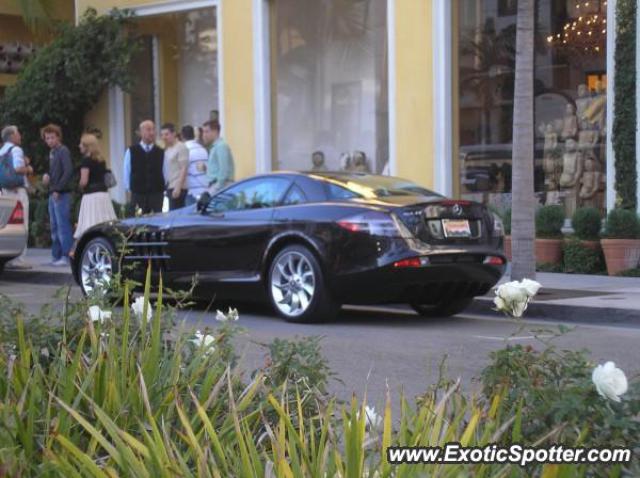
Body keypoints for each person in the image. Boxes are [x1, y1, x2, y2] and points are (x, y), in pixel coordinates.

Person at [71, 133, 117, 255]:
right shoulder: (101, 160)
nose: (79, 146)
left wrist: (78, 185)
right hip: (103, 196)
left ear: (86, 146)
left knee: (90, 224)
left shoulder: (86, 161)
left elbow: (84, 181)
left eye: (81, 144)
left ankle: (91, 251)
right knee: (104, 223)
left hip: (91, 197)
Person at [40, 124, 74, 266]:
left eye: (52, 137)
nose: (50, 141)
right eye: (47, 138)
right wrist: (47, 176)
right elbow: (55, 171)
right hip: (52, 193)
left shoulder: (63, 151)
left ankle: (66, 256)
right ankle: (56, 256)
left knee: (62, 225)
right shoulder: (52, 153)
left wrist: (58, 189)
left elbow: (68, 171)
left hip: (61, 193)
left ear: (58, 137)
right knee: (54, 225)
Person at [0, 125, 32, 270]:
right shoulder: (16, 149)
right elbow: (18, 169)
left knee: (7, 225)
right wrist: (29, 169)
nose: (20, 135)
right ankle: (19, 259)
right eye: (18, 133)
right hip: (17, 192)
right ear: (12, 136)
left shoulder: (1, 151)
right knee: (21, 225)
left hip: (5, 192)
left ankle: (8, 258)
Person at [123, 120, 165, 214]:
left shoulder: (160, 152)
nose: (152, 133)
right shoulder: (131, 151)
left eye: (153, 129)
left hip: (156, 195)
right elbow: (127, 171)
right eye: (148, 130)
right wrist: (130, 189)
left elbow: (164, 172)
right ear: (140, 132)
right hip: (138, 194)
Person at [160, 123, 189, 210]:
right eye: (162, 135)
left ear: (174, 134)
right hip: (169, 186)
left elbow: (184, 168)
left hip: (177, 187)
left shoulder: (181, 147)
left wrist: (178, 187)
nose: (164, 137)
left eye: (167, 134)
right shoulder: (167, 149)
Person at [202, 120, 235, 193]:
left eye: (207, 131)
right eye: (203, 132)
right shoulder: (215, 147)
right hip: (216, 185)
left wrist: (216, 188)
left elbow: (224, 170)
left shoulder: (221, 146)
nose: (204, 135)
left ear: (215, 132)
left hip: (221, 187)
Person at [182, 125, 209, 206]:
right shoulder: (203, 149)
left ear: (182, 136)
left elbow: (183, 170)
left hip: (192, 191)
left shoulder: (184, 149)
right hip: (205, 189)